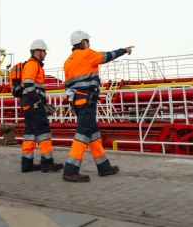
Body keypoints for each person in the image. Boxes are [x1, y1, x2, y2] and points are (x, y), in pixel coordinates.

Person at [62, 31, 133, 182]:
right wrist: (124, 50)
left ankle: (104, 167)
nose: (89, 44)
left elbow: (68, 87)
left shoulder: (67, 62)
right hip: (87, 101)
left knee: (93, 133)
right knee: (83, 133)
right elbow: (107, 56)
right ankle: (70, 170)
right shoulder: (87, 54)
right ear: (83, 43)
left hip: (78, 102)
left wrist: (72, 104)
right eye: (87, 41)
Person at [19, 39, 64, 173]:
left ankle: (26, 164)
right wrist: (38, 103)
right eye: (44, 51)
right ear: (37, 51)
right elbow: (28, 85)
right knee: (44, 132)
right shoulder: (33, 65)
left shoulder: (34, 65)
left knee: (30, 134)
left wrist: (44, 102)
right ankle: (47, 163)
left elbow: (34, 88)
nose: (45, 54)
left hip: (29, 105)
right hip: (33, 105)